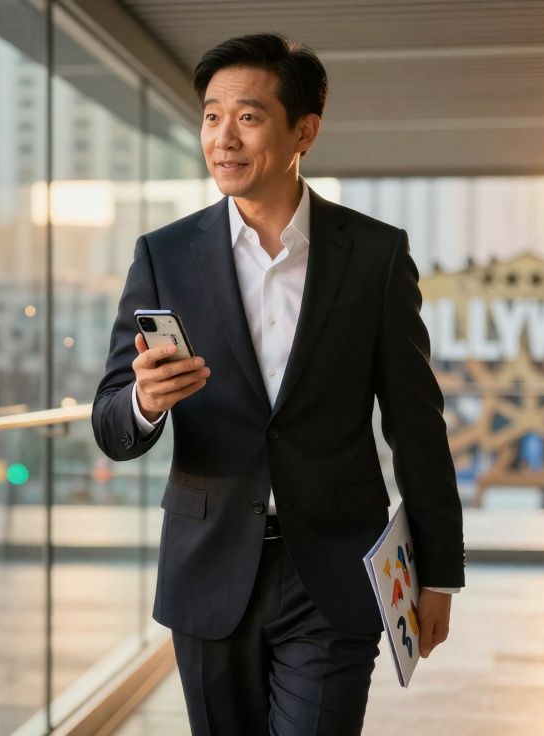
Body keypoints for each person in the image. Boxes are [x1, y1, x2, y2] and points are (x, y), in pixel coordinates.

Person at [92, 33, 464, 735]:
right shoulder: (165, 255)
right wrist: (143, 401)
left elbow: (416, 424)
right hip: (208, 570)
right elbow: (111, 423)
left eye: (249, 117)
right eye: (210, 116)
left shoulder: (375, 255)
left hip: (333, 572)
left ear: (305, 131)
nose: (223, 138)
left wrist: (438, 572)